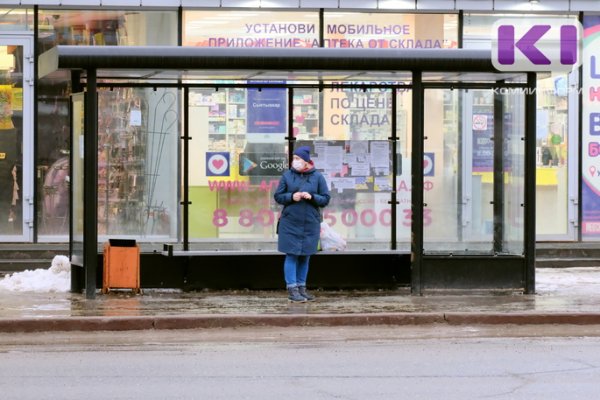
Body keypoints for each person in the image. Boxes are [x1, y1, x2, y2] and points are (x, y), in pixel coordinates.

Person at [274, 146, 330, 302]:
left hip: (310, 223)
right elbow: (278, 196)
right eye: (294, 158)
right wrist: (292, 196)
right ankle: (292, 289)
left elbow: (325, 199)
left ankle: (301, 288)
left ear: (306, 161)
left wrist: (312, 197)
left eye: (298, 159)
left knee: (305, 256)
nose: (295, 161)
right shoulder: (287, 176)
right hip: (290, 222)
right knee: (291, 255)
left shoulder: (318, 177)